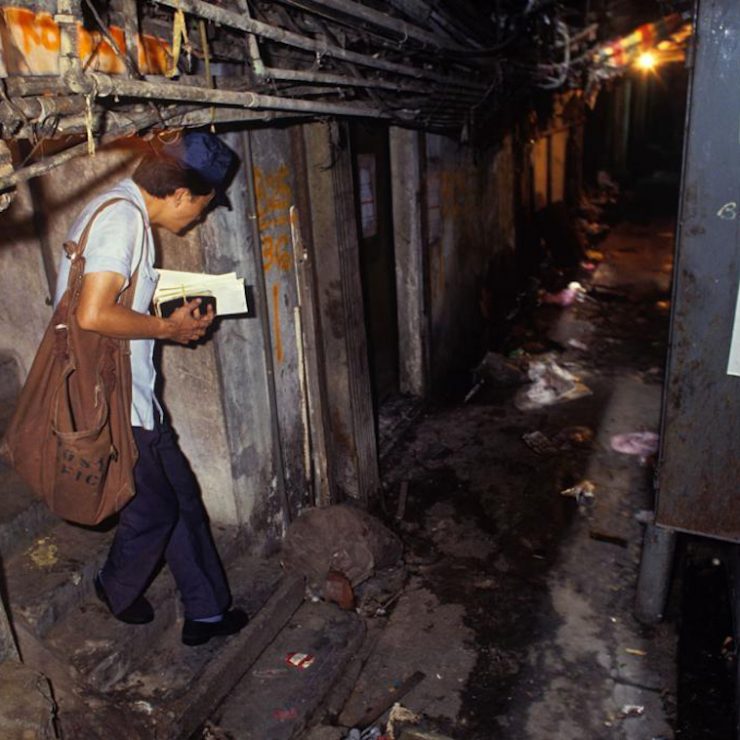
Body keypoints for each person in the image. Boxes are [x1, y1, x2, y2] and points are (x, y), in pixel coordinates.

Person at [54, 130, 248, 647]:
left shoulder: (125, 212)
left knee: (181, 497)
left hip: (135, 394)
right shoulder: (121, 220)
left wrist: (167, 305)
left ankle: (207, 612)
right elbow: (93, 313)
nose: (200, 217)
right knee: (154, 509)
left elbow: (115, 295)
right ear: (181, 193)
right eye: (204, 205)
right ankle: (115, 586)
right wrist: (170, 329)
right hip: (113, 402)